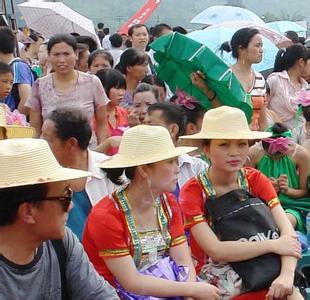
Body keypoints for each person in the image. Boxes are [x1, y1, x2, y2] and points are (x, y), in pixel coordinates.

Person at [83, 124, 220, 299]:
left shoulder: (168, 203)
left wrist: (189, 293)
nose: (177, 168)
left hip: (171, 289)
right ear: (144, 169)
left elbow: (183, 261)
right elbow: (131, 282)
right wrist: (191, 290)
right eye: (170, 162)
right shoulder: (106, 216)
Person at [179, 106, 302, 299]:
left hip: (266, 268)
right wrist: (272, 245)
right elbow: (216, 250)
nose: (235, 152)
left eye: (242, 144)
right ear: (206, 149)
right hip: (220, 279)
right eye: (224, 145)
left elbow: (288, 235)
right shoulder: (193, 191)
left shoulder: (255, 179)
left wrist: (286, 276)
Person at [0, 138, 119, 299]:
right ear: (28, 212)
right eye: (66, 196)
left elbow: (100, 295)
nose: (71, 206)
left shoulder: (61, 243)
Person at [41, 107, 117, 240]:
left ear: (71, 143)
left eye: (48, 140)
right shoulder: (40, 175)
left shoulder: (111, 170)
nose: (41, 143)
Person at [25, 33, 109, 149]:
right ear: (49, 56)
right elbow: (35, 128)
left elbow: (102, 124)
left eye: (66, 54)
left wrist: (100, 153)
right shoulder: (40, 85)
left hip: (86, 152)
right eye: (56, 54)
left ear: (76, 55)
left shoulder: (92, 82)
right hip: (51, 155)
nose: (62, 60)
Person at [249, 122, 310, 233]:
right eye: (271, 157)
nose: (276, 159)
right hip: (261, 205)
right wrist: (266, 189)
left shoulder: (301, 154)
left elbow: (305, 192)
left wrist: (287, 190)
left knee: (284, 223)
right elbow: (246, 190)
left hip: (291, 206)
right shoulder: (253, 153)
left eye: (281, 156)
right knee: (263, 223)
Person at [145, 102, 207, 194]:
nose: (145, 131)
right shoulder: (138, 170)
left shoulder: (198, 168)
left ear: (173, 130)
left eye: (151, 125)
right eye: (143, 125)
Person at [267, 44, 310, 130]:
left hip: (300, 138)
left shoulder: (305, 87)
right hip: (277, 135)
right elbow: (263, 107)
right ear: (301, 62)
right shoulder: (276, 80)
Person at [0, 26, 34, 114]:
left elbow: (26, 99)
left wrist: (15, 121)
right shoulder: (8, 66)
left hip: (13, 125)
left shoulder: (17, 66)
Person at [95, 69, 128, 137]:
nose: (121, 93)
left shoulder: (123, 112)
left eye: (123, 88)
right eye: (116, 88)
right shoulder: (92, 115)